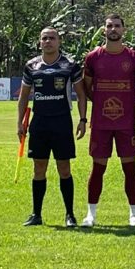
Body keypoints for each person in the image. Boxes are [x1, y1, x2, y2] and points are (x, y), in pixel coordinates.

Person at [17, 27, 88, 227]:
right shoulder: (31, 66)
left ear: (59, 41)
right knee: (39, 168)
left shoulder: (70, 65)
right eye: (44, 38)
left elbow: (81, 95)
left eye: (52, 38)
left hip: (61, 122)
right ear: (40, 42)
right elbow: (23, 97)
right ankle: (36, 214)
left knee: (64, 168)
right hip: (39, 123)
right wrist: (20, 123)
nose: (48, 41)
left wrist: (83, 119)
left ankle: (70, 215)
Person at [82, 14, 135, 227]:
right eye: (109, 26)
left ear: (124, 30)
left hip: (125, 123)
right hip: (101, 123)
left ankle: (134, 215)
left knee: (129, 168)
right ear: (104, 30)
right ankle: (90, 215)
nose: (113, 29)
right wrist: (100, 103)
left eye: (117, 26)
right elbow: (87, 87)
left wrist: (131, 103)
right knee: (98, 168)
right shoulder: (93, 57)